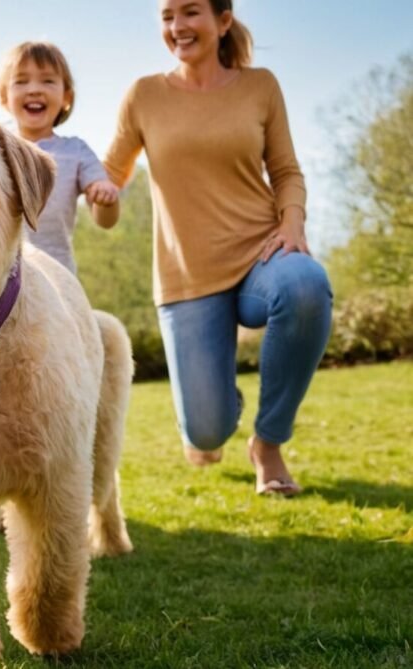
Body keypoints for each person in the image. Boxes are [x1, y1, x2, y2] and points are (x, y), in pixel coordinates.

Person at [103, 0, 332, 496]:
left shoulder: (260, 86)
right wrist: (97, 199)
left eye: (190, 13)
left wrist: (293, 223)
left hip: (261, 255)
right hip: (187, 277)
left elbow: (287, 171)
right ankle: (216, 408)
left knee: (308, 286)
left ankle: (268, 443)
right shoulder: (144, 95)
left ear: (223, 20)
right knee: (206, 432)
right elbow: (109, 180)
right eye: (167, 16)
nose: (177, 27)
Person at [0, 41, 120, 274]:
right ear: (4, 96)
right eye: (21, 81)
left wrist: (106, 199)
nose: (34, 89)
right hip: (0, 273)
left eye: (47, 81)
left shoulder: (76, 151)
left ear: (66, 97)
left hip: (57, 275)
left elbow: (105, 220)